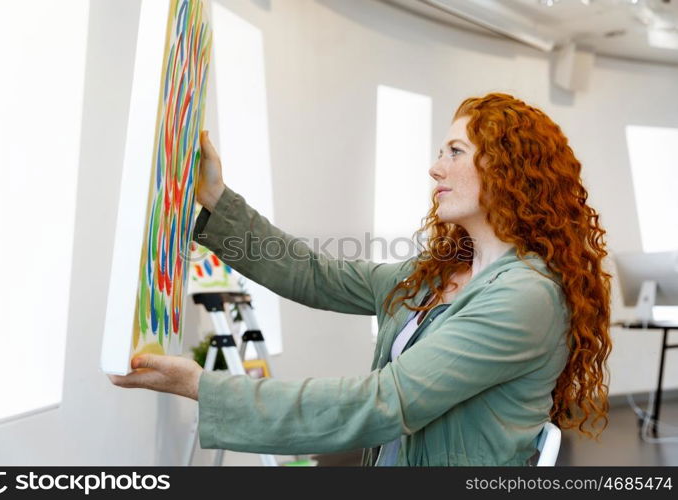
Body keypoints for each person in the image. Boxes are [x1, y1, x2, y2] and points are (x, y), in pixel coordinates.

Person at [109, 93, 612, 466]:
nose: (435, 168)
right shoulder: (438, 274)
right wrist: (217, 200)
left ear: (510, 170)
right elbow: (316, 275)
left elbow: (385, 402)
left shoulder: (525, 296)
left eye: (455, 152)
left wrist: (203, 387)